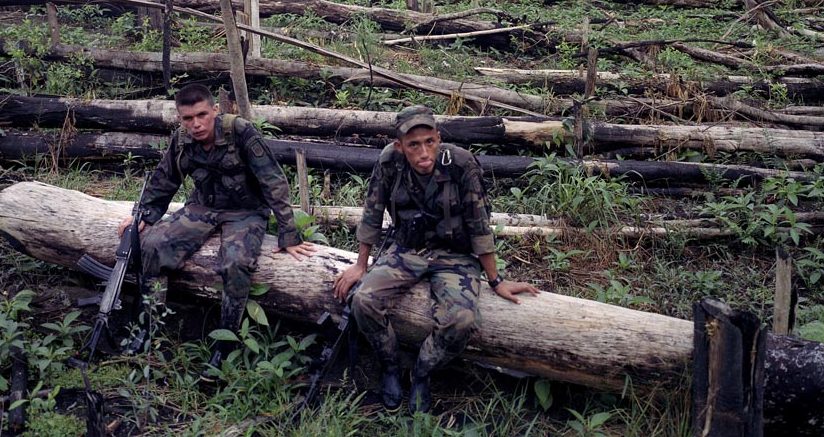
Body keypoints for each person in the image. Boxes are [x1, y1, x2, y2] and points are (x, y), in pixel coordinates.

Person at [333, 105, 539, 413]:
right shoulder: (389, 161)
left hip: (454, 256)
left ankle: (421, 372)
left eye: (429, 141)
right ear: (399, 146)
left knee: (462, 321)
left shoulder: (461, 164)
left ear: (439, 138)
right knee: (363, 301)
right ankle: (390, 365)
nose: (423, 151)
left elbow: (479, 226)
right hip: (407, 249)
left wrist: (495, 281)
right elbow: (372, 213)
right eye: (413, 145)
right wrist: (361, 265)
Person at [117, 82, 315, 372]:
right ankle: (149, 327)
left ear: (215, 110)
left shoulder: (241, 132)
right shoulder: (182, 140)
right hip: (203, 207)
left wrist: (288, 233)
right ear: (180, 118)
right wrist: (143, 215)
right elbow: (164, 179)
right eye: (187, 118)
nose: (196, 124)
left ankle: (225, 344)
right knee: (152, 245)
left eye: (201, 116)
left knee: (236, 263)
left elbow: (274, 182)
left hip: (245, 212)